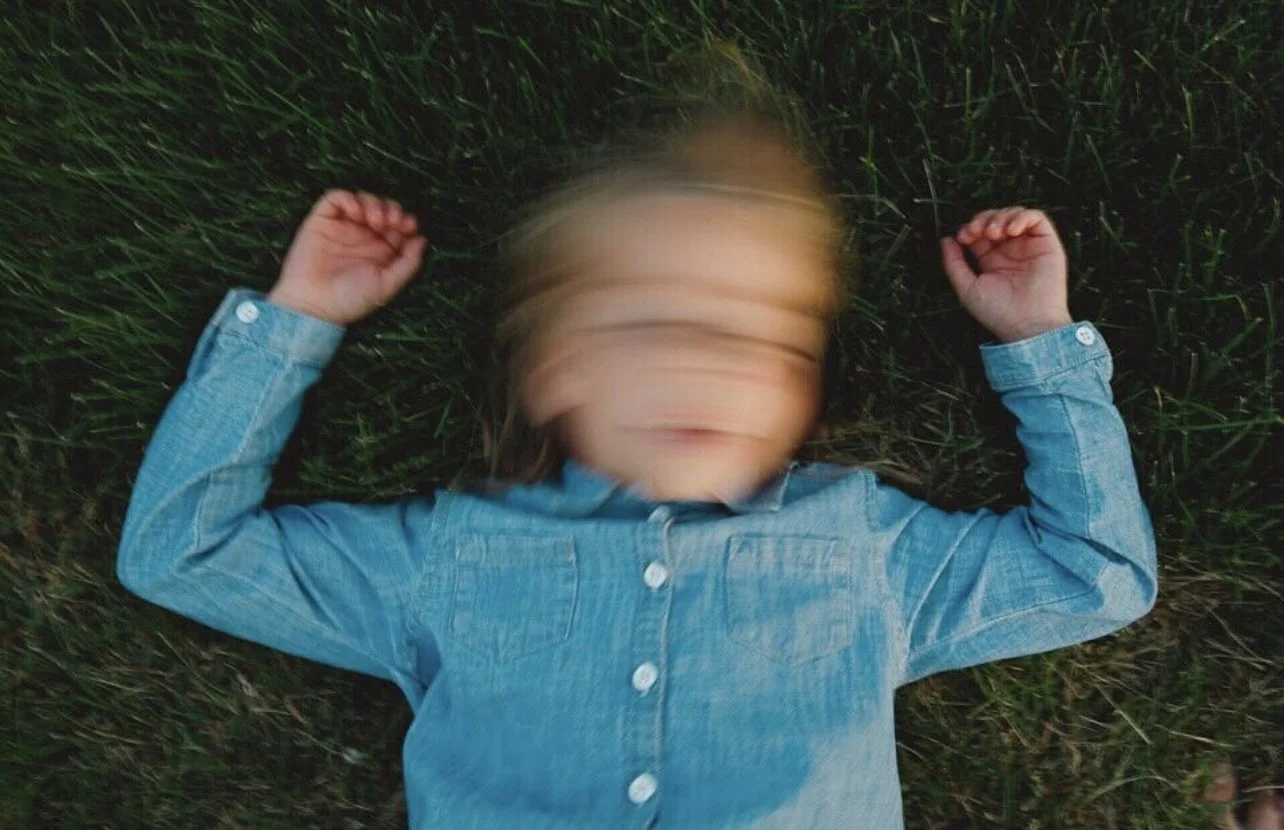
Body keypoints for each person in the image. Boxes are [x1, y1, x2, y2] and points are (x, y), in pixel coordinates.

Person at [116, 95, 1157, 827]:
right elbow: (181, 549)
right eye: (658, 325)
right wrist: (294, 319)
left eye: (762, 340)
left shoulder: (860, 546)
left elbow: (1093, 573)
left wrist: (1038, 345)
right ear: (559, 368)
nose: (711, 369)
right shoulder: (453, 555)